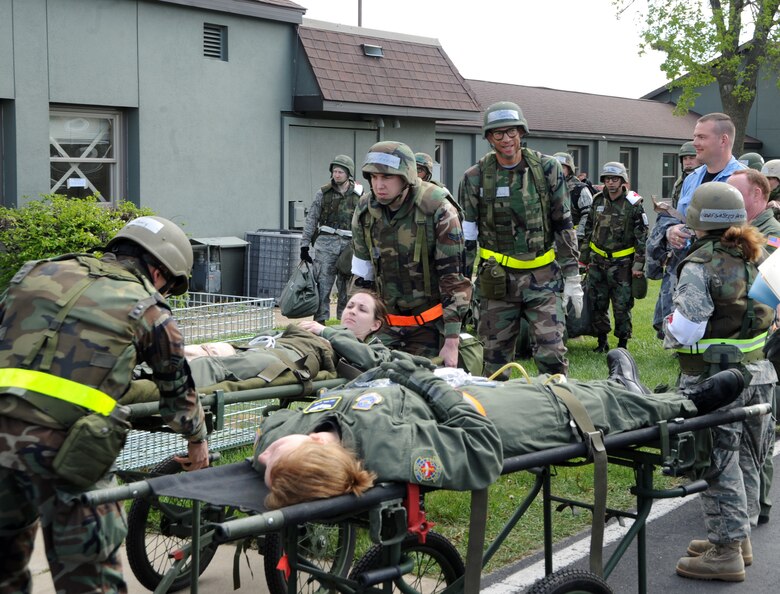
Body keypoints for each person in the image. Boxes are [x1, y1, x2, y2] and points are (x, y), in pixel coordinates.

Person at [0, 216, 209, 594]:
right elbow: (178, 397)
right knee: (91, 582)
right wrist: (197, 440)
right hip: (67, 457)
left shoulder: (34, 273)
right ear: (159, 272)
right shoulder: (149, 311)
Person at [253, 349, 744, 509]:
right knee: (574, 404)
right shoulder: (389, 449)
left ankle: (626, 388)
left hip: (458, 391)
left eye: (267, 459)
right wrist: (424, 382)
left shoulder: (289, 434)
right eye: (274, 458)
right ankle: (683, 400)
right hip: (486, 416)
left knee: (571, 386)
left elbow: (275, 429)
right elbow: (480, 451)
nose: (264, 453)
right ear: (317, 447)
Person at [663, 182, 775, 582]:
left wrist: (668, 326)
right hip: (759, 372)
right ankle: (738, 539)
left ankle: (724, 550)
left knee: (716, 460)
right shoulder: (762, 255)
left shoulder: (700, 264)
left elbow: (687, 329)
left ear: (697, 221)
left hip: (714, 379)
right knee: (746, 457)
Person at [458, 101, 582, 378]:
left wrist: (573, 278)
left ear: (521, 132)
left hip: (543, 279)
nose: (506, 140)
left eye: (511, 132)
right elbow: (467, 236)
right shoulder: (474, 177)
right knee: (492, 361)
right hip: (496, 280)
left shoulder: (547, 169)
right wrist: (462, 283)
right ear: (489, 138)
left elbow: (563, 223)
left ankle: (559, 410)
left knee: (552, 354)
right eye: (498, 134)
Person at [351, 141, 472, 366]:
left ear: (405, 177)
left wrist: (452, 341)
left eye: (386, 177)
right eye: (374, 178)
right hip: (384, 324)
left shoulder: (439, 209)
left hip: (430, 325)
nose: (379, 185)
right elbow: (362, 276)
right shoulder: (365, 210)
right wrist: (354, 329)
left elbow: (454, 282)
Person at [181, 290, 393, 387]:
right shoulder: (325, 329)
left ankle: (166, 385)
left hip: (290, 358)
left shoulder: (374, 348)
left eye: (362, 309)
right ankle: (154, 365)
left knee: (216, 366)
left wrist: (325, 332)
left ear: (376, 325)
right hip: (268, 347)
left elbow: (371, 362)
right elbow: (270, 336)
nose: (352, 311)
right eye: (350, 306)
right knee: (206, 349)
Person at [727, 168, 780, 526]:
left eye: (736, 194)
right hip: (749, 343)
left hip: (764, 343)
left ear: (759, 195)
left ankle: (757, 503)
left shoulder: (770, 233)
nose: (729, 201)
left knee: (760, 427)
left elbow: (767, 289)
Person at [580, 162, 648, 352]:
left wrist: (638, 265)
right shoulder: (597, 200)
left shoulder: (633, 203)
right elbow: (588, 229)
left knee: (622, 305)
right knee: (597, 302)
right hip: (597, 261)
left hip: (622, 264)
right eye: (607, 179)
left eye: (615, 179)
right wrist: (584, 258)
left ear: (622, 181)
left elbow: (641, 236)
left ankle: (622, 345)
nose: (610, 183)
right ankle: (602, 342)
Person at [300, 155, 363, 323]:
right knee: (323, 286)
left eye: (340, 171)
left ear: (348, 173)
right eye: (334, 171)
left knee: (346, 289)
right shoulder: (323, 193)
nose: (337, 175)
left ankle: (345, 325)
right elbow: (312, 219)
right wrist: (304, 245)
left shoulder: (360, 194)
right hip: (326, 245)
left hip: (349, 247)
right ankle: (320, 322)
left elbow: (366, 221)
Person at [646, 141, 699, 339]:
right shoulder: (681, 182)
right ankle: (670, 330)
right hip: (680, 243)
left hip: (697, 244)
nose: (688, 162)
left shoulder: (703, 180)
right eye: (685, 158)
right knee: (671, 288)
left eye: (691, 157)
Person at [554, 152, 593, 241]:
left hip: (573, 240)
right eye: (556, 167)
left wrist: (577, 236)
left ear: (569, 169)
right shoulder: (548, 189)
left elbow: (587, 215)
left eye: (562, 167)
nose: (558, 170)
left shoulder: (579, 189)